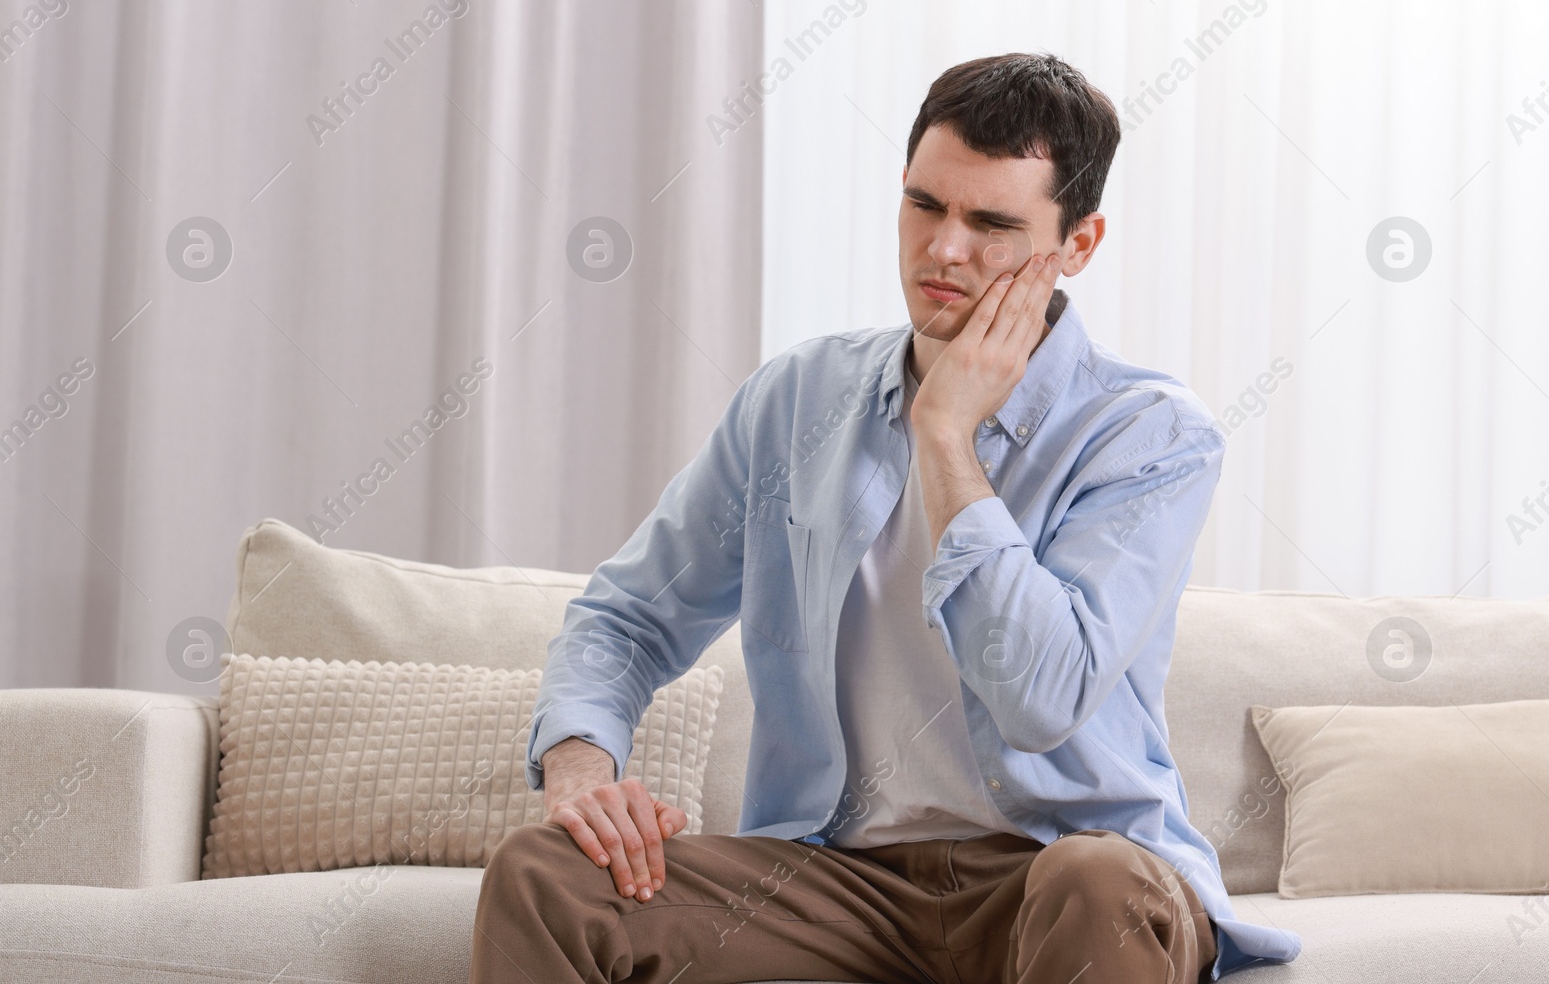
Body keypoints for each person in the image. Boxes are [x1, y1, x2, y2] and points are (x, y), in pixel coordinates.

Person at [470, 52, 1302, 984]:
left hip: (1057, 873)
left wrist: (944, 436)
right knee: (545, 875)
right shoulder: (798, 398)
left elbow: (1040, 699)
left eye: (992, 224)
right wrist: (580, 762)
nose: (944, 250)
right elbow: (629, 616)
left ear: (1078, 243)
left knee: (1097, 883)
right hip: (838, 881)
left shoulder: (1149, 434)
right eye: (924, 205)